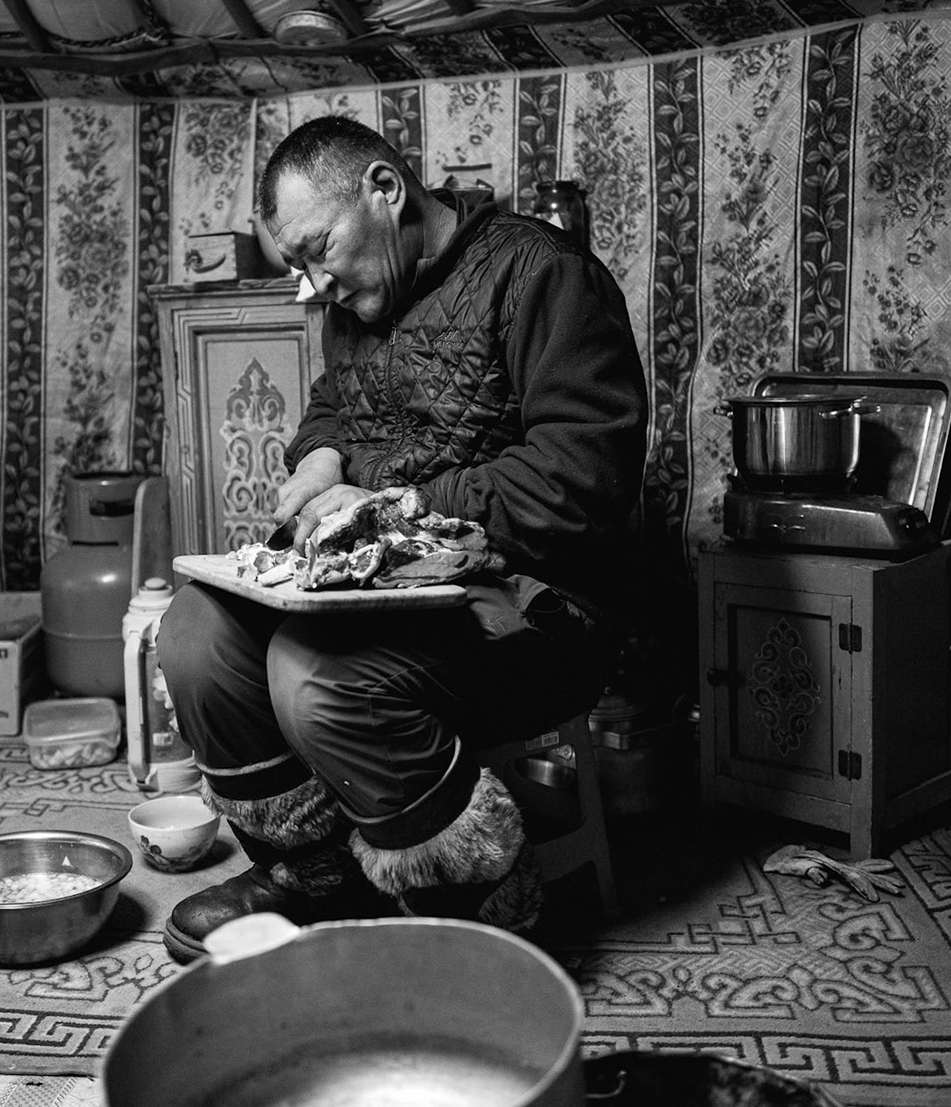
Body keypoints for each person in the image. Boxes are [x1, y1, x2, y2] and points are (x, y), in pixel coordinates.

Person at [157, 115, 648, 963]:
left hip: (534, 609)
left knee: (310, 674)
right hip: (391, 596)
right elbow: (334, 406)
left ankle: (484, 908)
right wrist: (316, 464)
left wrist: (394, 506)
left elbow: (584, 474)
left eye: (318, 251)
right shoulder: (361, 296)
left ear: (386, 191)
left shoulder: (544, 275)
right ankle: (312, 875)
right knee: (195, 636)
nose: (313, 286)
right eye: (298, 267)